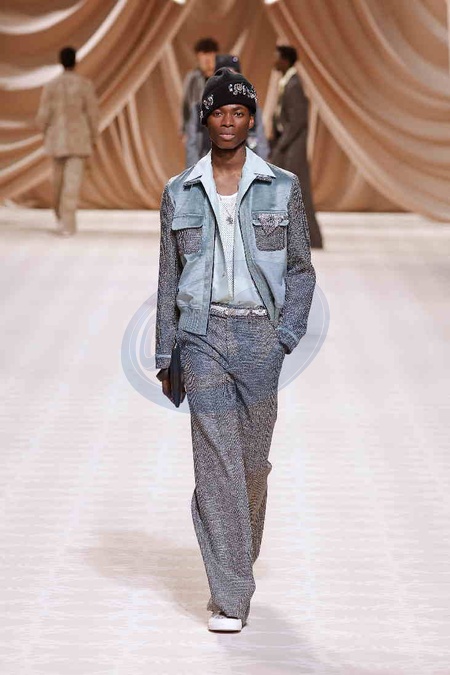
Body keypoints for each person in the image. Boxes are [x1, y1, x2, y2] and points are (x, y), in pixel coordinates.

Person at [155, 67, 316, 632]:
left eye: (239, 112)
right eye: (219, 111)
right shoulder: (179, 190)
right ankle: (229, 596)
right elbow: (168, 275)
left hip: (259, 338)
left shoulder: (282, 187)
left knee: (250, 468)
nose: (228, 121)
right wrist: (166, 352)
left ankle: (234, 565)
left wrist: (284, 336)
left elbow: (300, 268)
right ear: (206, 118)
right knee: (216, 466)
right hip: (201, 338)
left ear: (251, 120)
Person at [36, 46, 99, 236]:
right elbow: (93, 114)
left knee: (58, 183)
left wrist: (44, 131)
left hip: (57, 140)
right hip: (78, 139)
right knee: (70, 184)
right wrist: (94, 136)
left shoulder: (51, 85)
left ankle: (61, 219)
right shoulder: (84, 85)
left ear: (60, 61)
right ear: (75, 61)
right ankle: (67, 224)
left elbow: (43, 115)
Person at [270, 45, 323, 249]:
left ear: (285, 60)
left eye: (277, 57)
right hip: (288, 146)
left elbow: (297, 120)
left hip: (294, 149)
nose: (274, 61)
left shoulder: (294, 85)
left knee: (297, 194)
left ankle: (311, 239)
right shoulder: (288, 82)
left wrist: (281, 144)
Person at [185, 54, 269, 167]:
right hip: (209, 168)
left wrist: (260, 172)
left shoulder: (251, 109)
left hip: (245, 169)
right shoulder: (199, 109)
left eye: (233, 75)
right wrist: (197, 173)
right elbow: (192, 146)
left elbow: (261, 144)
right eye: (218, 114)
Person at [180, 37, 219, 162]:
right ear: (198, 57)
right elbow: (185, 105)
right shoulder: (192, 78)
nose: (207, 59)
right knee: (196, 164)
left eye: (210, 55)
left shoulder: (223, 77)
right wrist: (184, 130)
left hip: (218, 129)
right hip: (197, 128)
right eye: (203, 55)